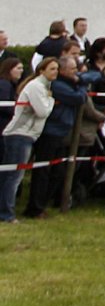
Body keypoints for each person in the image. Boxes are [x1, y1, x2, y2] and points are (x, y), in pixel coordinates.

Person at [3, 53, 55, 221]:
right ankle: (7, 215)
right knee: (14, 177)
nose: (56, 72)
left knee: (10, 176)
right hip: (20, 134)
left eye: (57, 69)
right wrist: (51, 101)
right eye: (52, 69)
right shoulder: (36, 87)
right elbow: (42, 111)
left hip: (25, 135)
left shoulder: (41, 87)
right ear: (42, 70)